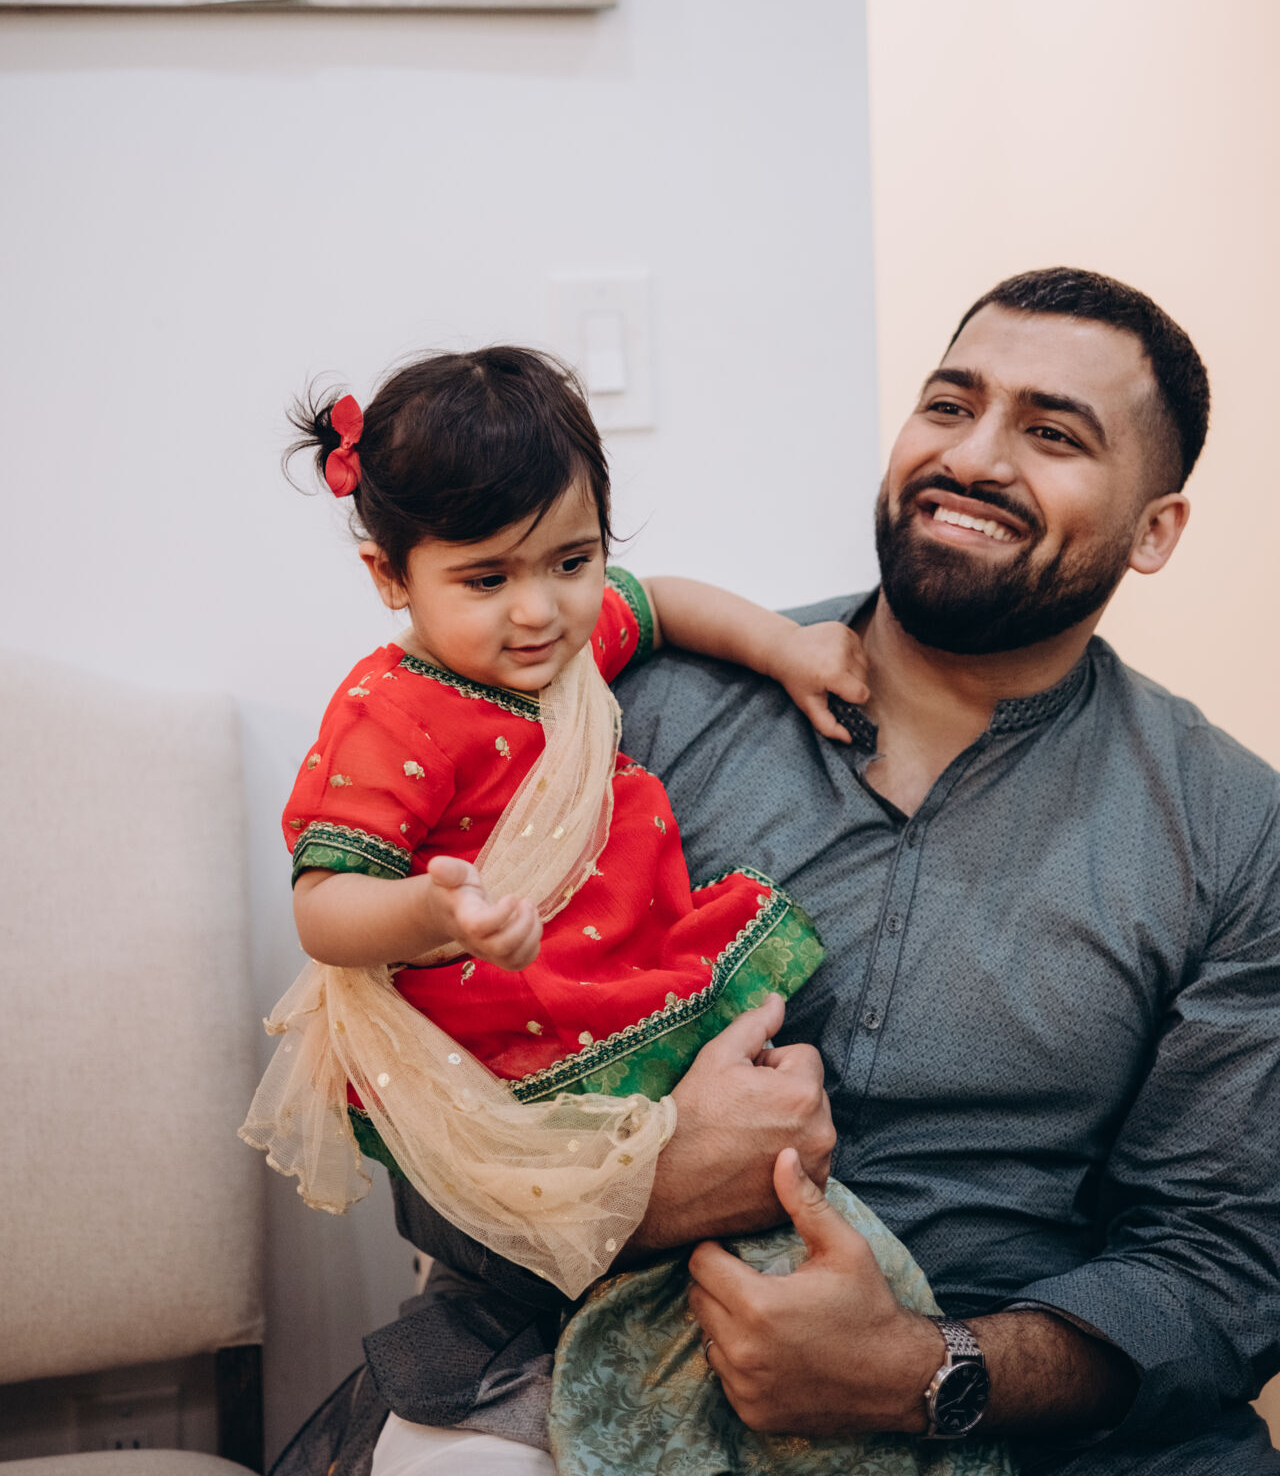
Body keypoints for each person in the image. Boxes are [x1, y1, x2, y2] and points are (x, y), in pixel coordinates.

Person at [275, 269, 1280, 1476]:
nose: (971, 457)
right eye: (948, 404)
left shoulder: (1231, 830)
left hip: (1022, 1430)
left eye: (1051, 433)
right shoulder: (617, 710)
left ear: (1155, 529)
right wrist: (635, 1190)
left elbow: (1221, 1269)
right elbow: (420, 1092)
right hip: (577, 1369)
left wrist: (923, 1371)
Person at [243, 347, 1012, 1476]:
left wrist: (788, 648)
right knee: (654, 1247)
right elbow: (323, 909)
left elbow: (662, 605)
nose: (540, 609)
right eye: (486, 579)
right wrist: (429, 911)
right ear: (389, 577)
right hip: (523, 1041)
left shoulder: (568, 643)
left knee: (769, 1211)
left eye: (572, 559)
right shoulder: (390, 715)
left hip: (634, 985)